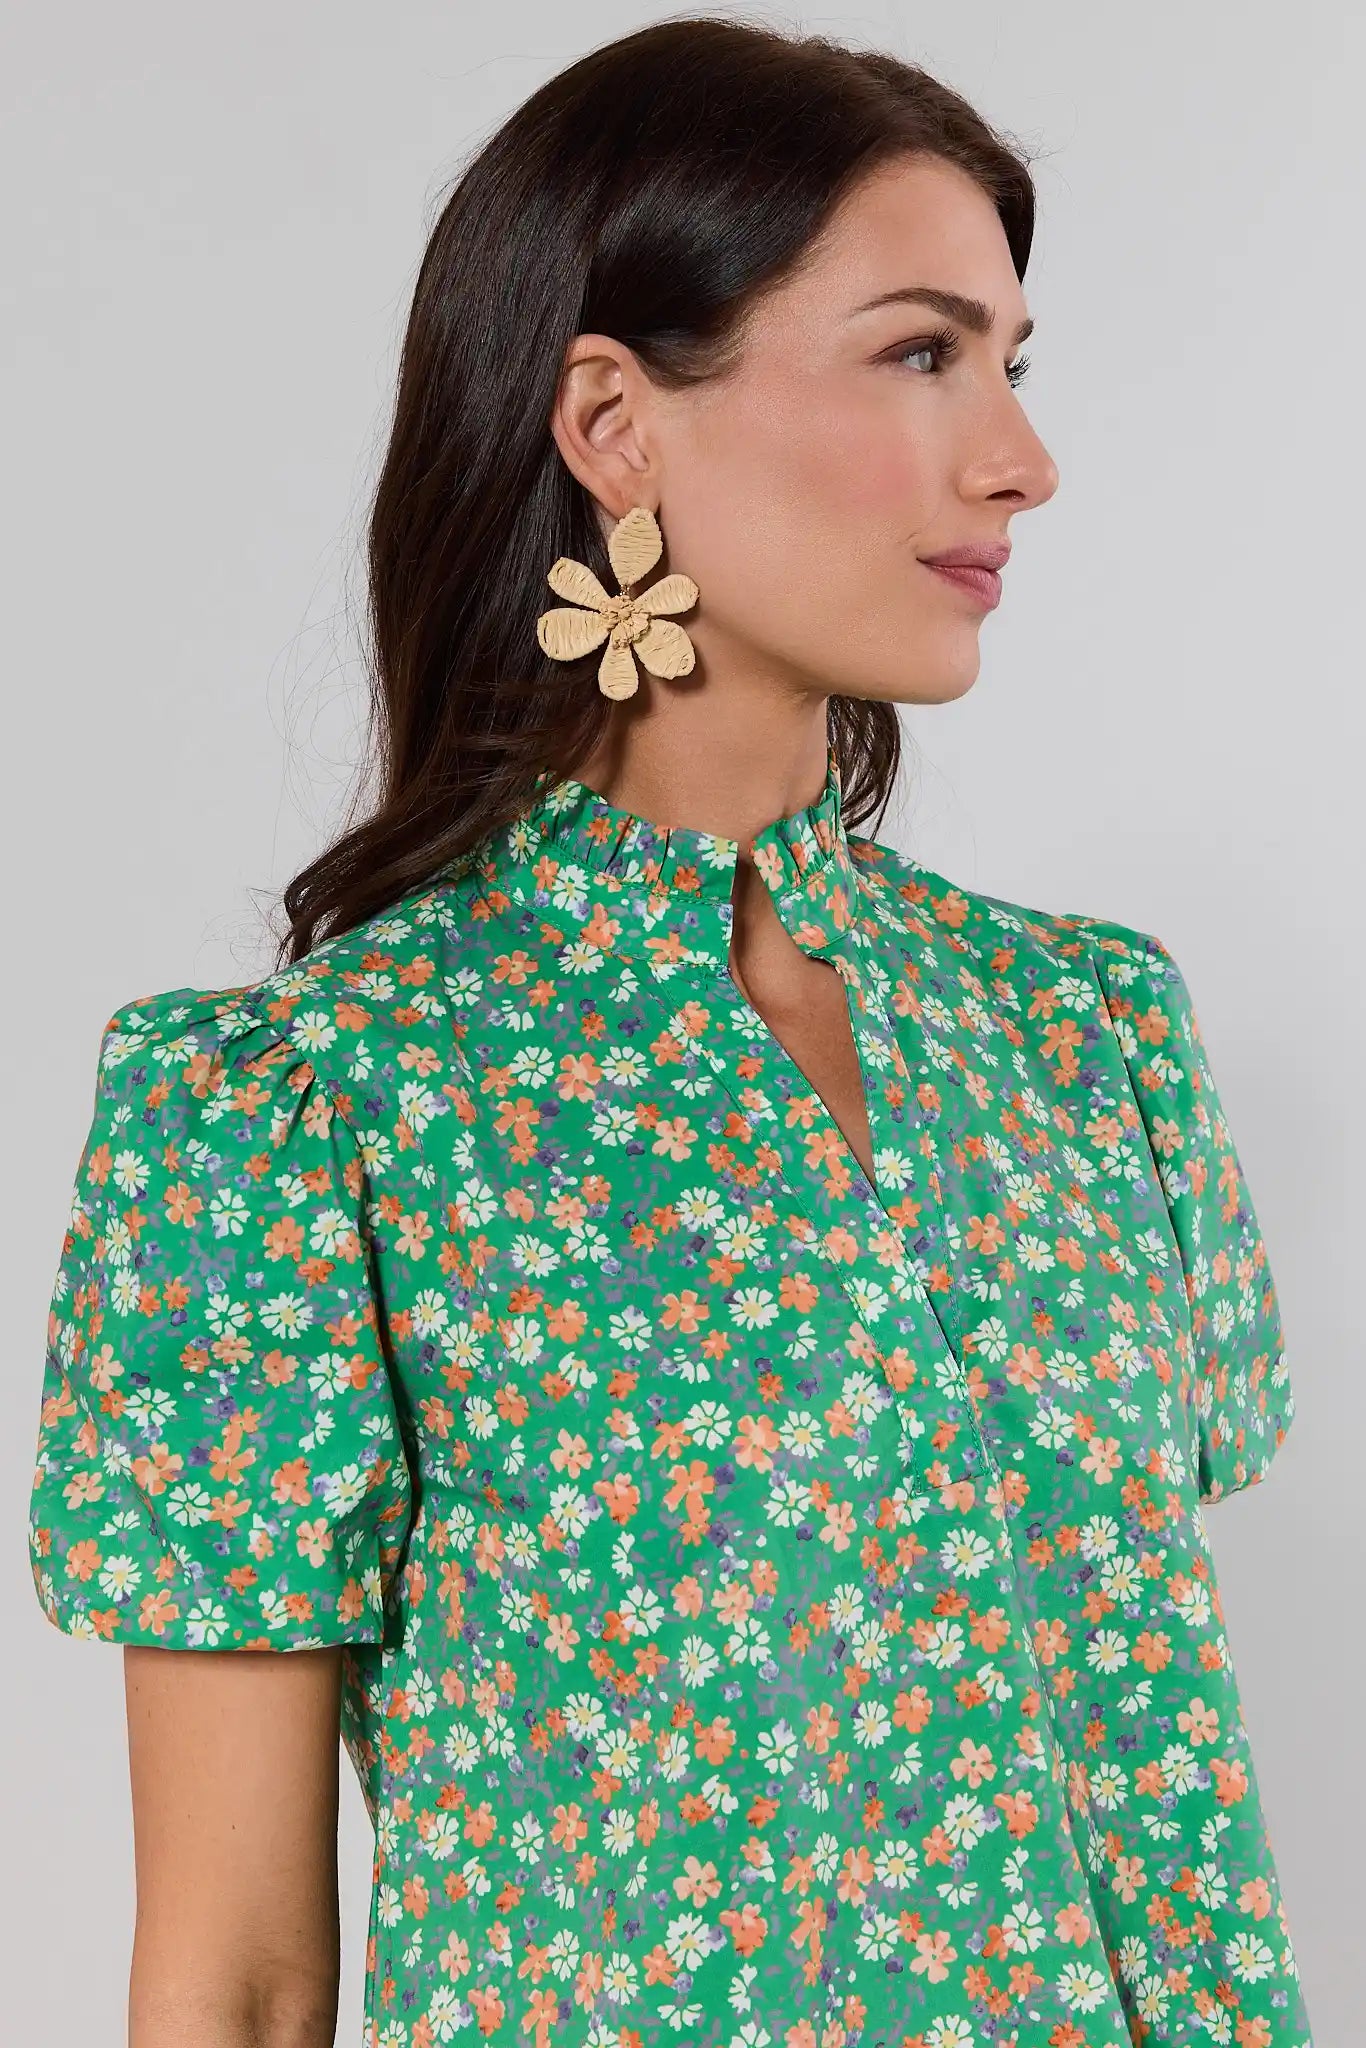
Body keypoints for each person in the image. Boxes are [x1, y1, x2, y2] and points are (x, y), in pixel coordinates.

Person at [26, 17, 1310, 2048]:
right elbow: (241, 1979)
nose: (1019, 459)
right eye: (918, 352)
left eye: (1010, 360)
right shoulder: (299, 1114)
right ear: (614, 427)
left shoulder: (1087, 1040)